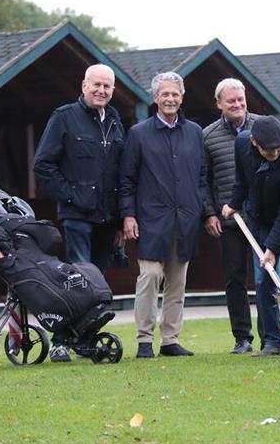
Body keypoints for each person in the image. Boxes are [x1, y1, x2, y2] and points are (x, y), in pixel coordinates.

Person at [33, 63, 125, 363]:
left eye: (107, 86)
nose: (101, 90)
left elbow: (121, 171)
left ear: (113, 90)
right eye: (96, 84)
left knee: (97, 283)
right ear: (83, 85)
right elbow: (43, 166)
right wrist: (72, 197)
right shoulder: (63, 118)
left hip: (106, 218)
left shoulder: (113, 120)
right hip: (77, 216)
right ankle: (60, 341)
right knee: (77, 280)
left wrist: (123, 216)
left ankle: (82, 339)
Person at [119, 72, 207, 359]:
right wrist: (128, 215)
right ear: (155, 98)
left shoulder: (194, 132)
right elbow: (127, 180)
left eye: (175, 94)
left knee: (177, 283)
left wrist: (205, 213)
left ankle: (170, 340)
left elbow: (202, 177)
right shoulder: (138, 134)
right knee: (151, 276)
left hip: (186, 220)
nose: (170, 99)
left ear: (182, 97)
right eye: (165, 94)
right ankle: (145, 340)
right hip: (150, 221)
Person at [221, 116, 280, 357]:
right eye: (269, 150)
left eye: (279, 148)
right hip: (261, 221)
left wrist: (272, 249)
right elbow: (242, 180)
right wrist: (234, 204)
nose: (275, 152)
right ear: (254, 142)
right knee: (264, 280)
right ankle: (273, 342)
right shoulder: (242, 144)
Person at [202, 78, 263, 354]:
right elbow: (203, 180)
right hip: (230, 221)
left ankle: (271, 336)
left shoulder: (264, 126)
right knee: (235, 279)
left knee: (266, 277)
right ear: (219, 104)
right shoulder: (208, 136)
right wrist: (209, 213)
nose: (237, 105)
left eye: (241, 99)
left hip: (262, 219)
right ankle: (243, 337)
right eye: (231, 101)